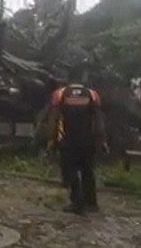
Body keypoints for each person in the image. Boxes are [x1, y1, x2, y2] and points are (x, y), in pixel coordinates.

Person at [47, 69, 107, 214]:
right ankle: (91, 203)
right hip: (88, 140)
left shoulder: (60, 94)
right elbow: (99, 121)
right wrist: (102, 140)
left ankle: (77, 202)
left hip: (68, 140)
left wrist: (51, 139)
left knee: (71, 170)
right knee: (88, 171)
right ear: (82, 80)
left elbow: (54, 119)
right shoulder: (92, 94)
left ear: (67, 80)